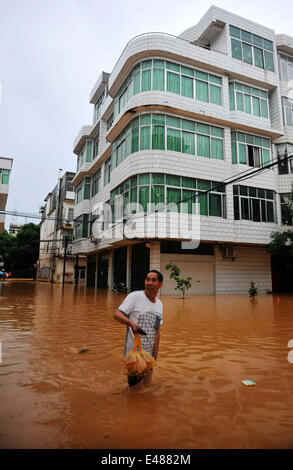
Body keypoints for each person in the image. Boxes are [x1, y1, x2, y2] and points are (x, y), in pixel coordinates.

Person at [113, 270, 163, 388]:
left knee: (147, 389)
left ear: (160, 284)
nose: (149, 283)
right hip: (134, 356)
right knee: (134, 392)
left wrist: (155, 353)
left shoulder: (160, 304)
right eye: (147, 279)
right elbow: (117, 315)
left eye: (153, 280)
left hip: (149, 356)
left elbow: (157, 331)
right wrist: (131, 323)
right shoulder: (135, 296)